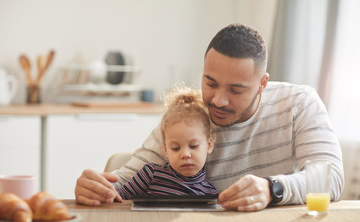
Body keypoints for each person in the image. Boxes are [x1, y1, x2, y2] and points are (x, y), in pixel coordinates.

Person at [75, 23, 344, 211]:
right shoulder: (188, 116)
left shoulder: (299, 103)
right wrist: (94, 187)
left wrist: (272, 189)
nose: (218, 100)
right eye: (210, 82)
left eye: (236, 89)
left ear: (262, 83)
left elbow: (330, 177)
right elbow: (122, 181)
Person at [115, 86, 218, 199]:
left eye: (193, 146)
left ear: (209, 145)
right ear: (165, 150)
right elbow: (120, 197)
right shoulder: (150, 174)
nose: (185, 154)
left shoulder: (210, 192)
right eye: (175, 148)